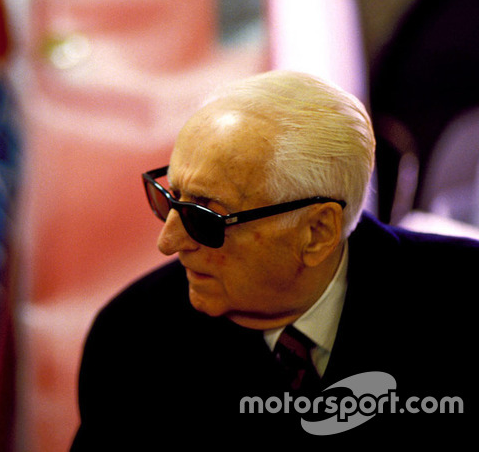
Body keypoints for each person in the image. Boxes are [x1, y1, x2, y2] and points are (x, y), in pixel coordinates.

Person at [72, 70, 479, 448]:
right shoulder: (132, 341)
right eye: (170, 198)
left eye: (205, 216)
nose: (169, 241)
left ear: (317, 232)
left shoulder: (460, 303)